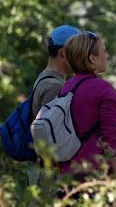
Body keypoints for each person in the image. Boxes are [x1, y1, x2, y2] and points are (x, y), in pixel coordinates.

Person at [59, 31, 116, 179]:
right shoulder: (103, 89)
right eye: (104, 51)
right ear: (92, 58)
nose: (107, 56)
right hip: (93, 171)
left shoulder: (65, 87)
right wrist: (115, 170)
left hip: (65, 171)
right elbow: (110, 136)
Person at [28, 25, 81, 186]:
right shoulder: (55, 87)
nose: (81, 57)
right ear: (64, 53)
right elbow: (51, 137)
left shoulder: (45, 77)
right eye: (77, 52)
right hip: (49, 177)